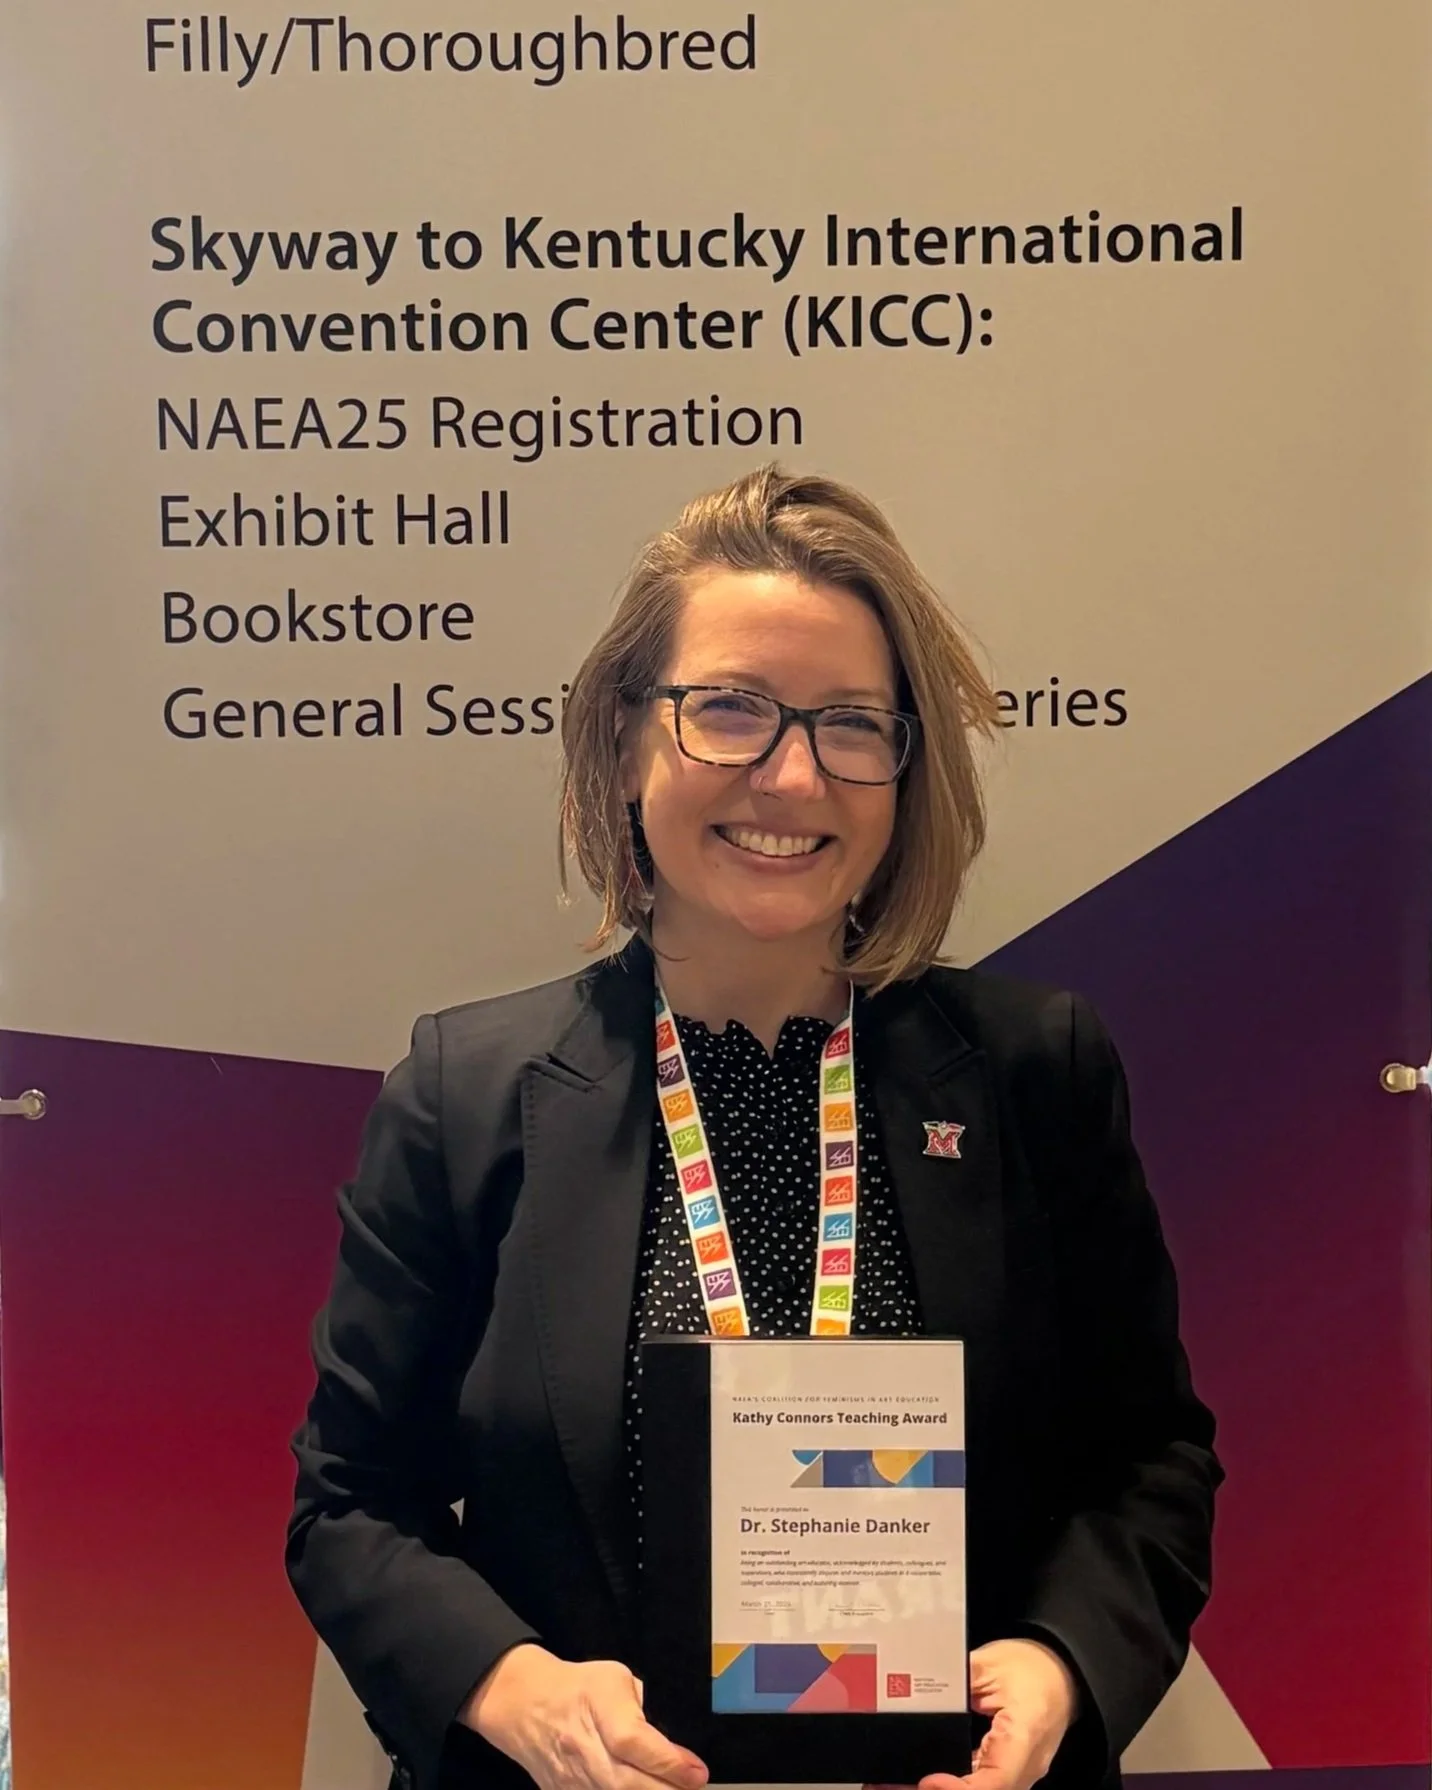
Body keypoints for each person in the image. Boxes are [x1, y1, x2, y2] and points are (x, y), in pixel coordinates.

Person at [286, 466, 1220, 1790]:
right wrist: (515, 1688)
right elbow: (348, 1500)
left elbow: (1153, 1456)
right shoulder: (466, 1092)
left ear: (904, 767)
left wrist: (1064, 1657)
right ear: (622, 737)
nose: (790, 776)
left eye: (851, 724)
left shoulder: (1033, 1074)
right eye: (728, 710)